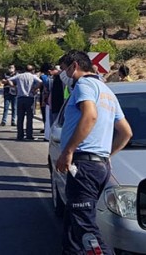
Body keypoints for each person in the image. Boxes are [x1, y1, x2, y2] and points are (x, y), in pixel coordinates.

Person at [55, 51, 133, 255]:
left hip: (83, 165)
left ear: (74, 66)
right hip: (98, 166)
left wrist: (68, 151)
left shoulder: (84, 85)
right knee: (73, 222)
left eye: (64, 69)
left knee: (85, 227)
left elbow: (90, 116)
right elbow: (126, 132)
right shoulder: (106, 90)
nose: (63, 75)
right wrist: (106, 156)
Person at [8, 65, 43, 141]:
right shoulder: (32, 76)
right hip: (29, 98)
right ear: (32, 70)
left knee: (20, 118)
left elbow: (9, 79)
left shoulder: (19, 76)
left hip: (20, 98)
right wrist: (35, 88)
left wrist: (13, 86)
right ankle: (29, 135)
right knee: (29, 118)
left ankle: (20, 135)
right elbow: (40, 82)